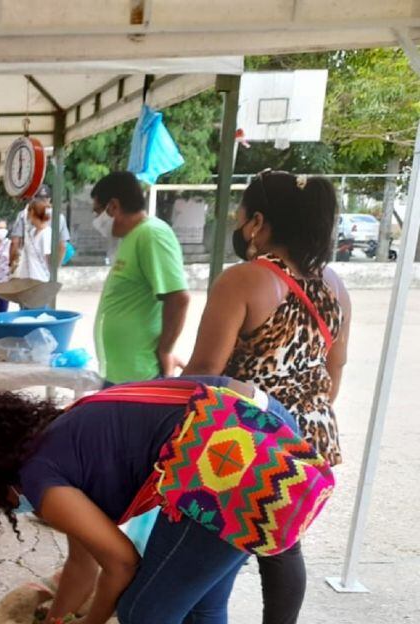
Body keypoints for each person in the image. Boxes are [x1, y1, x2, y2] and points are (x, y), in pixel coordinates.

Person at [0, 377, 334, 624]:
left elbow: (121, 564)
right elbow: (82, 564)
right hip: (265, 418)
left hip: (227, 461)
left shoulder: (40, 482)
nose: (12, 509)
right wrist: (57, 618)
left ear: (1, 483)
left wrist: (91, 622)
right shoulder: (64, 435)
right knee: (201, 605)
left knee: (142, 612)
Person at [184, 171, 350, 624]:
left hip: (249, 435)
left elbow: (204, 373)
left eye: (239, 216)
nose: (237, 225)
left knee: (217, 542)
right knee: (282, 542)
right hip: (310, 433)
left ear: (257, 222)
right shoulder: (334, 284)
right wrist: (303, 414)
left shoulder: (242, 280)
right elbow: (335, 367)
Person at [91, 171, 189, 384]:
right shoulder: (132, 236)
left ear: (113, 206)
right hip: (121, 371)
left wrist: (165, 350)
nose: (96, 220)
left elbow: (178, 298)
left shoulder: (151, 234)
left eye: (97, 212)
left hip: (138, 373)